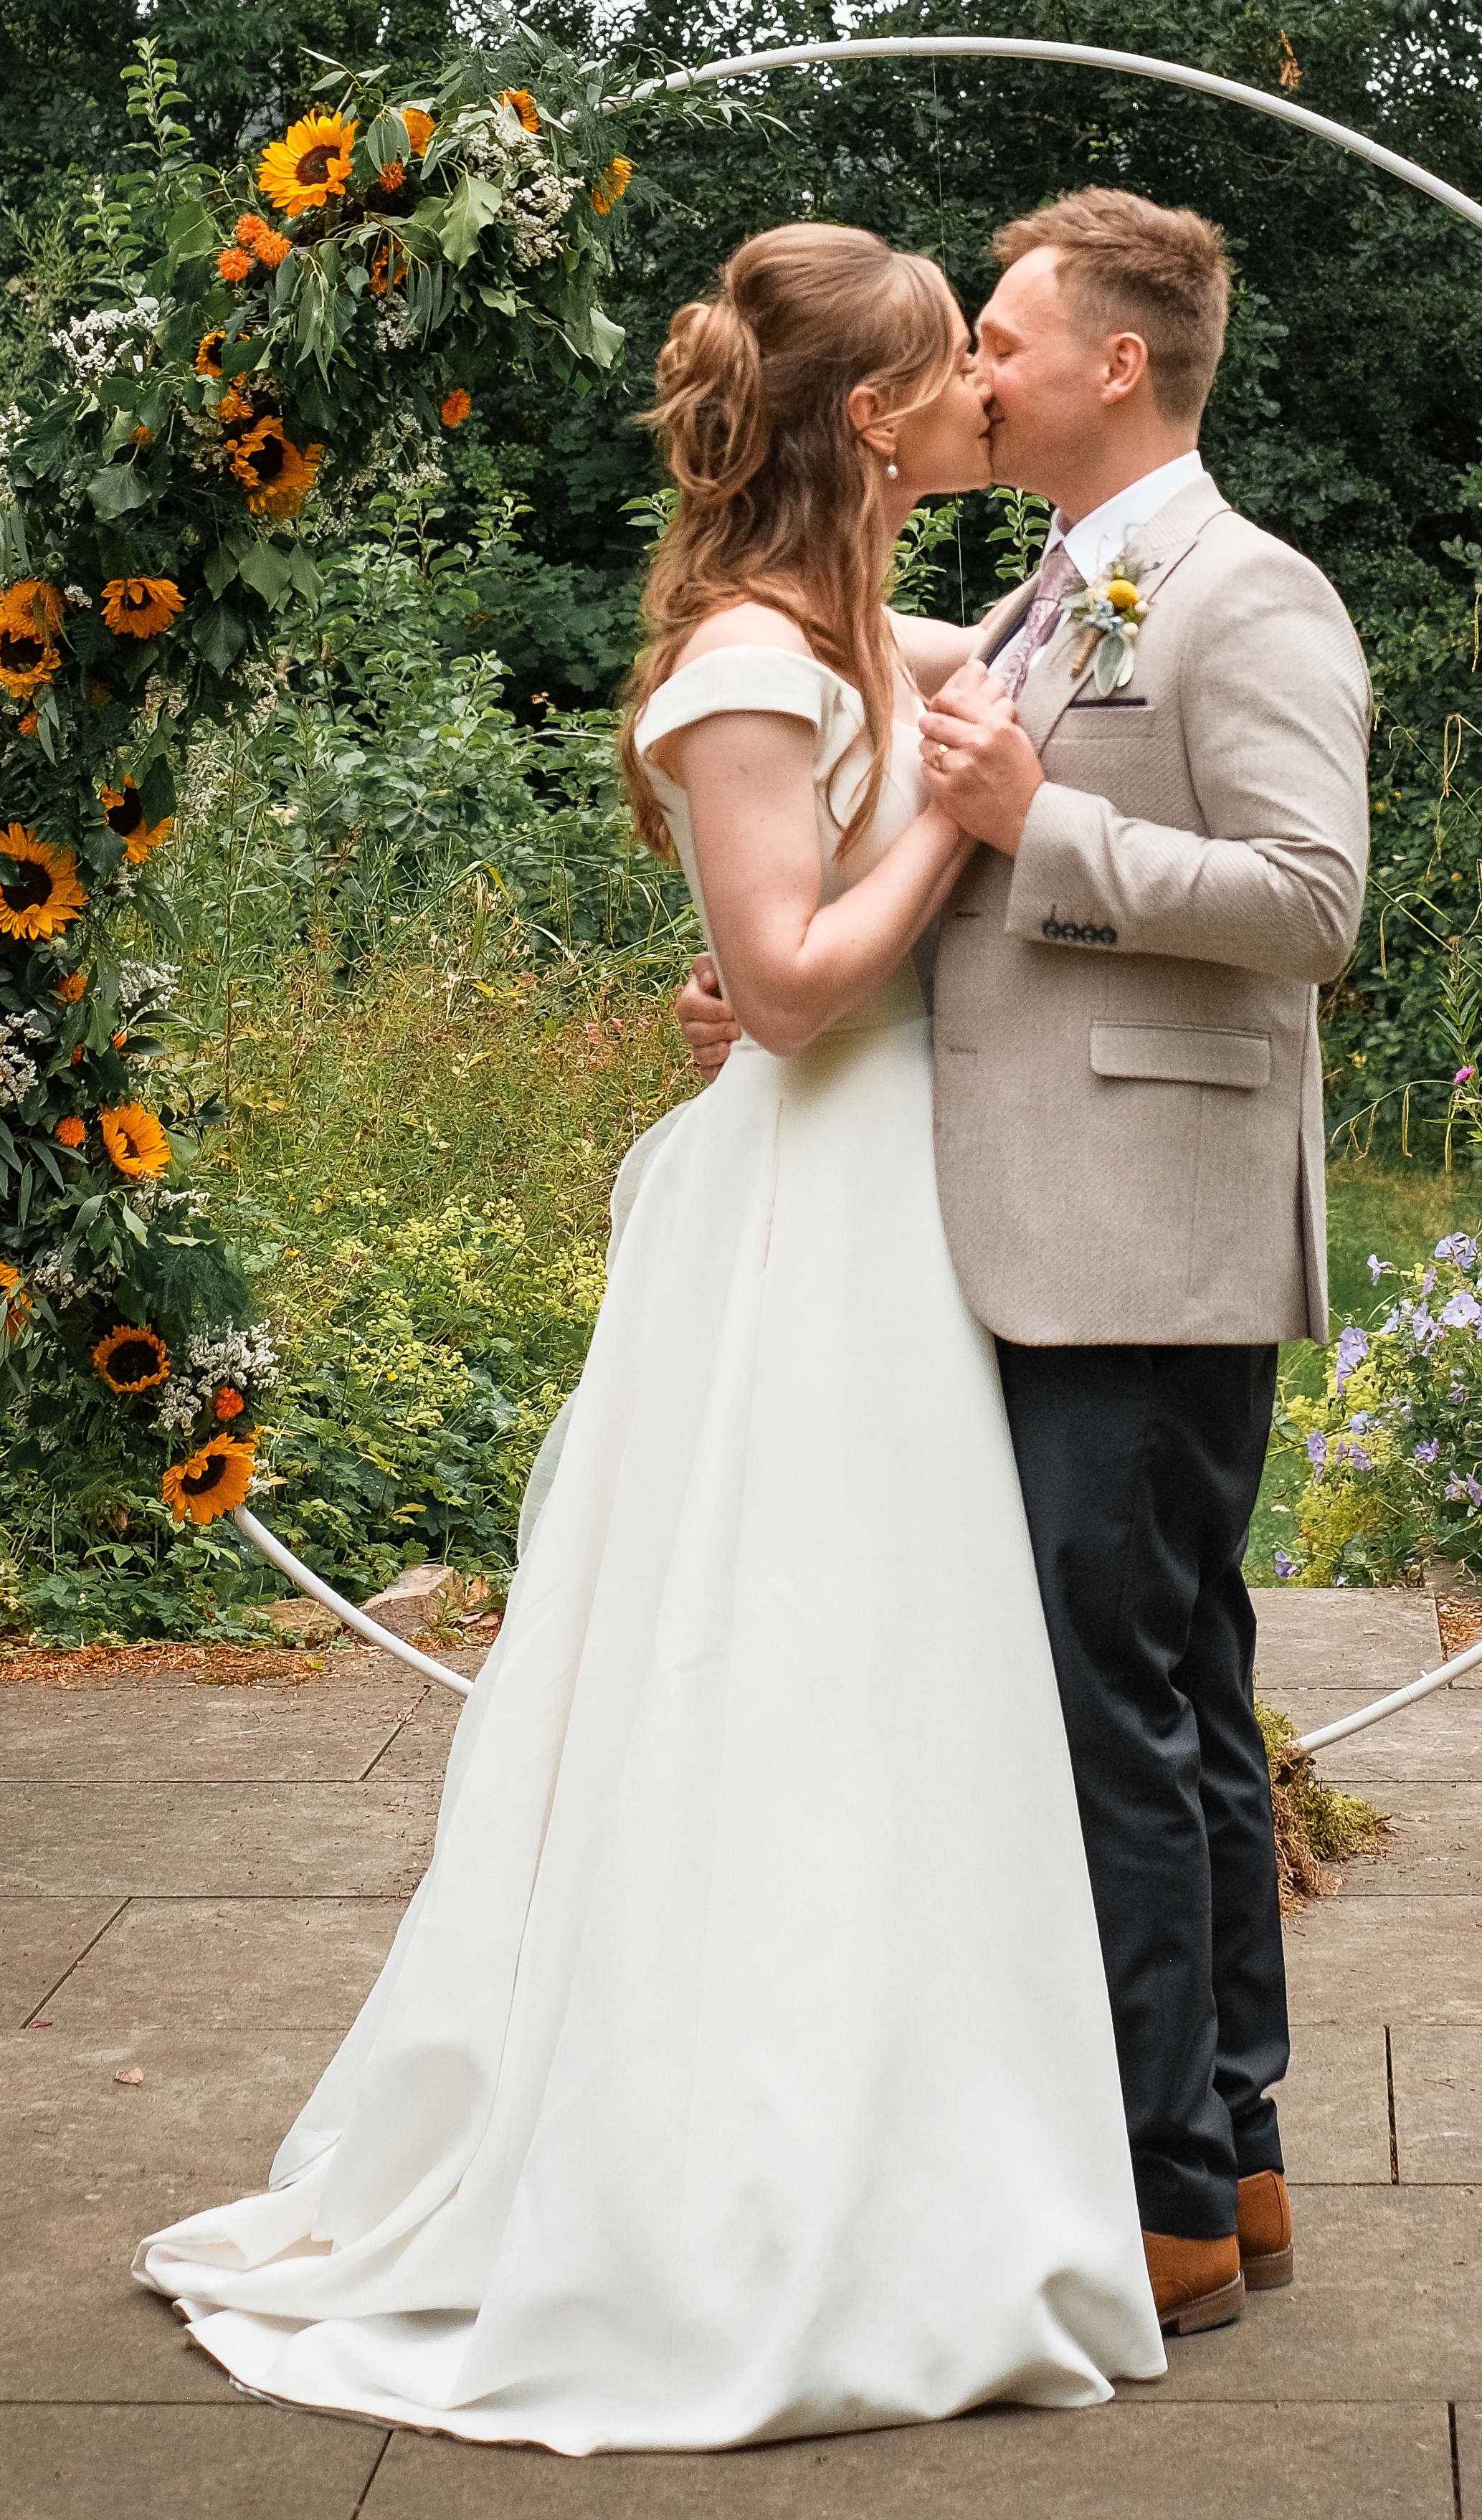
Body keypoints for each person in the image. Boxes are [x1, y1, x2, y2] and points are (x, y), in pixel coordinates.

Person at [136, 224, 1164, 2448]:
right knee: (763, 1669)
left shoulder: (896, 629)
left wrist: (962, 806)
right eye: (951, 362)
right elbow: (791, 981)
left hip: (909, 1209)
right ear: (877, 418)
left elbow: (845, 883)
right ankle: (707, 2197)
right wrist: (964, 857)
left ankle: (920, 2154)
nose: (995, 384)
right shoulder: (734, 669)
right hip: (802, 1219)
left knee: (901, 1689)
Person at [680, 188, 1371, 2336]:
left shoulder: (1249, 597)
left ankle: (1168, 2194)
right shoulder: (1046, 598)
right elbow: (895, 823)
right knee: (1176, 1704)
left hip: (1143, 1246)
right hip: (1033, 1228)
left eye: (1003, 333)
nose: (974, 367)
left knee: (1124, 1722)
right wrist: (790, 990)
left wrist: (1029, 829)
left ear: (1116, 369)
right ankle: (1230, 2160)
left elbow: (1304, 902)